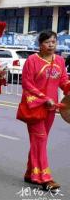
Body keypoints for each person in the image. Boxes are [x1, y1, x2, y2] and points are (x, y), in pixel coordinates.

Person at [18, 31, 70, 191]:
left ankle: (30, 173)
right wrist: (43, 97)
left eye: (54, 42)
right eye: (48, 42)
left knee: (40, 141)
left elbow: (63, 81)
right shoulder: (32, 60)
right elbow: (27, 83)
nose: (51, 45)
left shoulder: (60, 60)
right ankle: (45, 178)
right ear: (40, 44)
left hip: (52, 108)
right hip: (35, 106)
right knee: (40, 140)